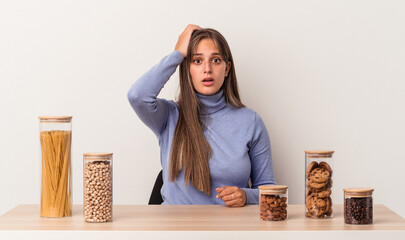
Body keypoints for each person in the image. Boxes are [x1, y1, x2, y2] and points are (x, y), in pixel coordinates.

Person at [128, 24, 275, 207]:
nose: (207, 69)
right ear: (187, 68)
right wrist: (178, 54)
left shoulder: (250, 121)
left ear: (227, 68)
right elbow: (137, 96)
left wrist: (246, 196)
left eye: (216, 60)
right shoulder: (169, 116)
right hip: (174, 230)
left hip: (230, 229)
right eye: (197, 61)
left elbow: (270, 191)